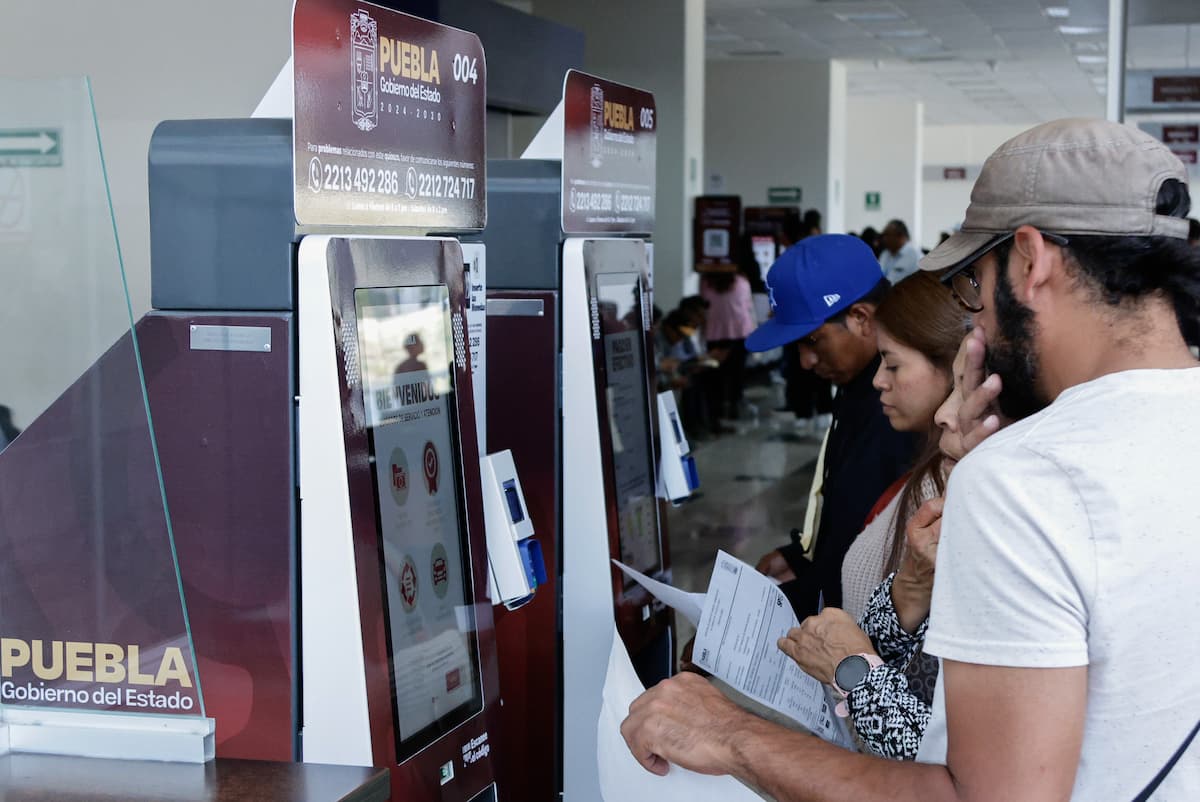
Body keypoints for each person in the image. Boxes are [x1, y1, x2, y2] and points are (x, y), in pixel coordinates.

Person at [620, 118, 1200, 800]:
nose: (976, 324)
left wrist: (728, 734)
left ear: (1031, 259)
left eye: (974, 290)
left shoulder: (1024, 479)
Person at [784, 334, 976, 762]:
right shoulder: (958, 503)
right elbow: (910, 666)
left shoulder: (1023, 552)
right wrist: (907, 589)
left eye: (969, 391)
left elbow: (943, 754)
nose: (945, 413)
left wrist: (850, 667)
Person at [749, 235, 919, 618]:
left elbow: (860, 561)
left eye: (813, 341)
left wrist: (746, 620)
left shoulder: (893, 408)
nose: (807, 361)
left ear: (861, 319)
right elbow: (846, 512)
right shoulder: (856, 388)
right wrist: (801, 556)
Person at [839, 271, 968, 622]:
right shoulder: (929, 468)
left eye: (893, 365)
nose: (879, 380)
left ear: (952, 363)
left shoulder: (951, 484)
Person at [701, 270, 756, 421]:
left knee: (716, 375)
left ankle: (717, 410)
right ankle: (734, 406)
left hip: (715, 335)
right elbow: (749, 307)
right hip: (740, 333)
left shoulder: (707, 282)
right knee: (737, 374)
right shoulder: (742, 282)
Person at [879, 220, 921, 284]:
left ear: (901, 236)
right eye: (884, 235)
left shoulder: (915, 256)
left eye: (887, 235)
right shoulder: (885, 254)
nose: (884, 239)